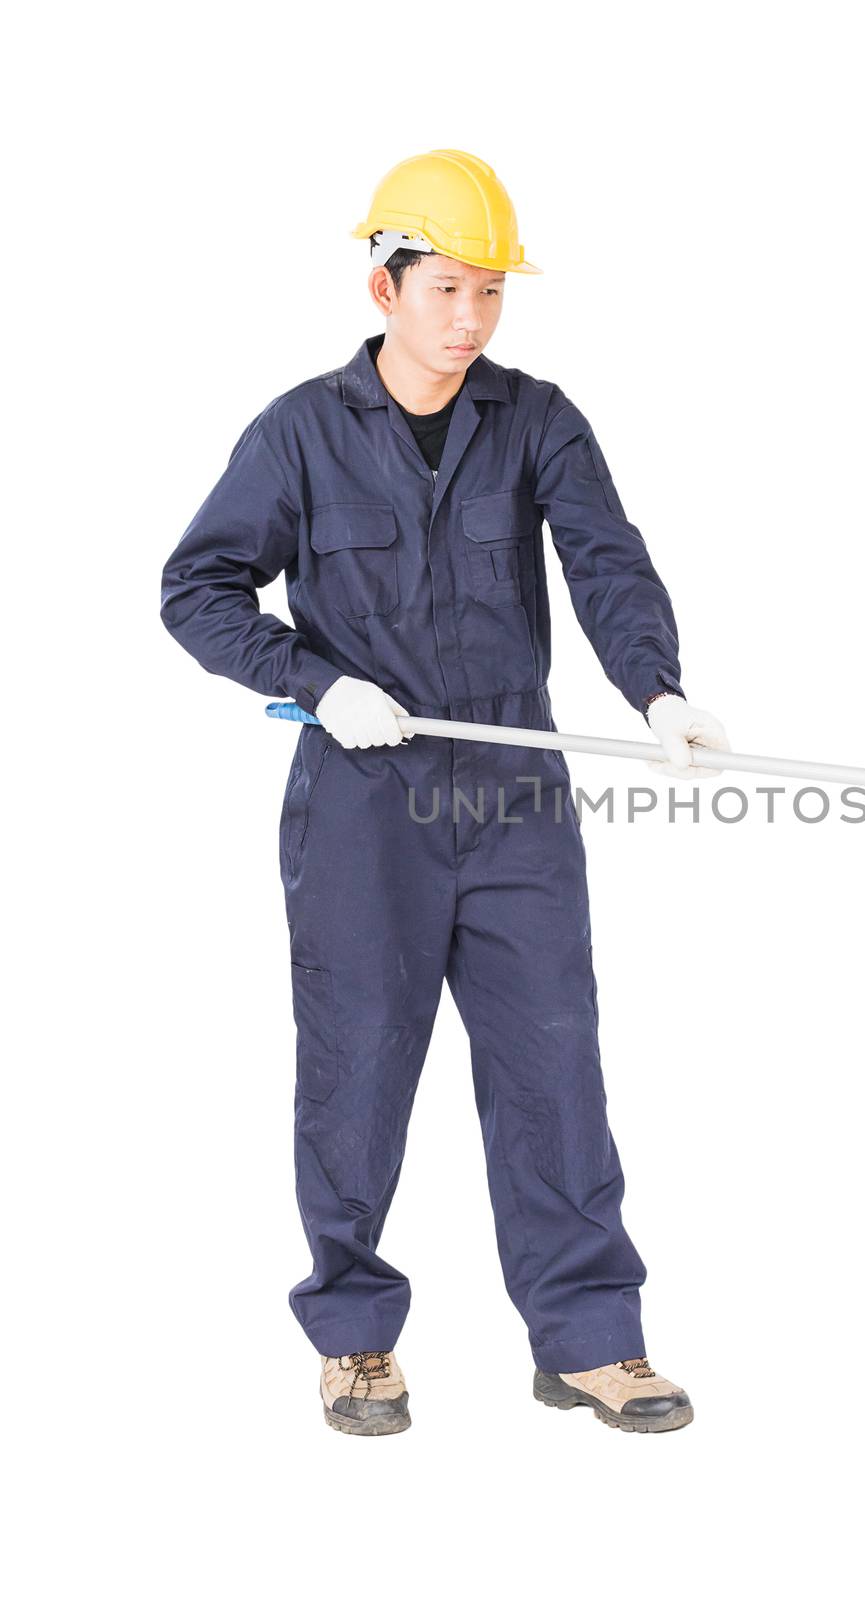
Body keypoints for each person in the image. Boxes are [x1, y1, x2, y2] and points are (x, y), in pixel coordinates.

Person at [160, 149, 730, 1437]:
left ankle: (590, 1341)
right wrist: (313, 683)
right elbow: (196, 589)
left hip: (518, 797)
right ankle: (357, 1339)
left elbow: (607, 562)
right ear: (385, 283)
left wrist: (658, 692)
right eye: (447, 288)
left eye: (490, 292)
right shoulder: (298, 432)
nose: (470, 317)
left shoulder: (535, 419)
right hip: (367, 806)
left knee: (553, 1067)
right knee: (358, 1069)